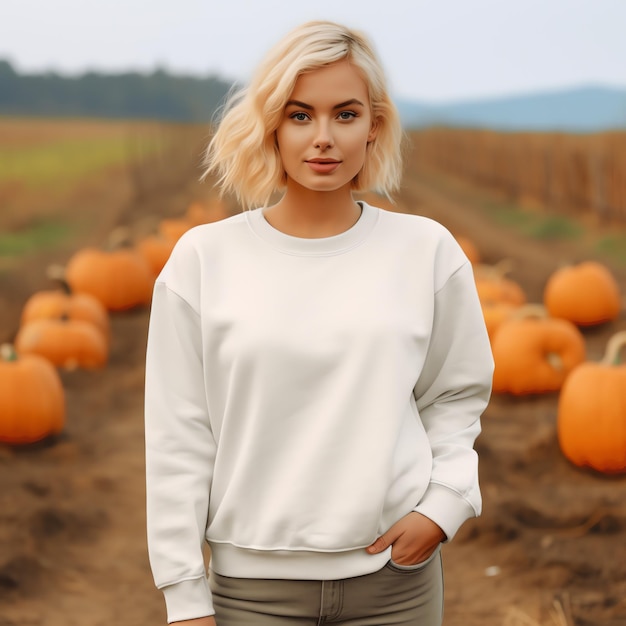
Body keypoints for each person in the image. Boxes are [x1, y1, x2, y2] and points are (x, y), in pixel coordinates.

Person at [144, 20, 494, 626]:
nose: (324, 138)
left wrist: (444, 504)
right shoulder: (203, 260)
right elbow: (179, 434)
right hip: (250, 596)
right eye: (301, 115)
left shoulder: (426, 250)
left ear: (374, 126)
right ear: (272, 126)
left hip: (396, 586)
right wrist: (183, 591)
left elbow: (457, 392)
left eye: (346, 114)